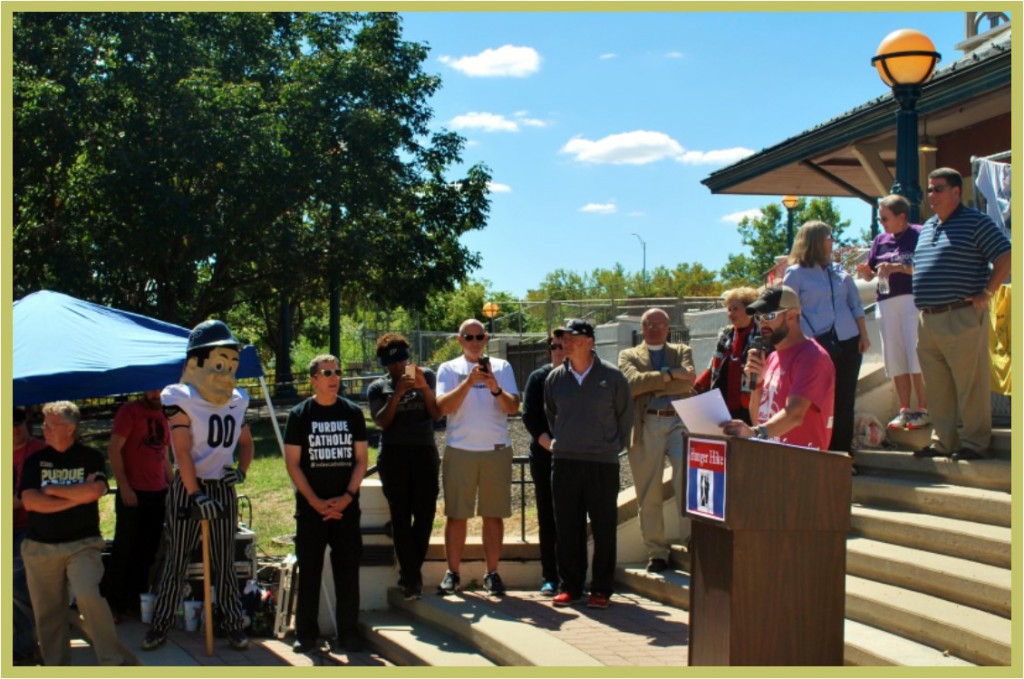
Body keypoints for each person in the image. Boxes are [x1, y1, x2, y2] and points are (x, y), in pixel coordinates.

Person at [142, 320, 254, 652]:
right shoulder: (180, 397)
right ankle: (160, 625)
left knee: (225, 560)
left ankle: (233, 624)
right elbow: (181, 452)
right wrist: (194, 493)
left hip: (221, 484)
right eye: (220, 362)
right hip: (189, 486)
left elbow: (245, 442)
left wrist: (242, 471)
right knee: (176, 558)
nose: (228, 371)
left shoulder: (238, 399)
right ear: (196, 363)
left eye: (232, 363)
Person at [18, 401, 132, 666]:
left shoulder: (90, 457)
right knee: (49, 612)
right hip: (40, 548)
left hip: (82, 544)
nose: (44, 429)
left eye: (51, 424)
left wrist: (53, 490)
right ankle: (56, 666)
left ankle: (112, 661)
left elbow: (95, 491)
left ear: (69, 428)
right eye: (44, 424)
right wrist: (75, 497)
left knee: (87, 594)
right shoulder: (35, 461)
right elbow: (32, 502)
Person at [912, 167, 1012, 461]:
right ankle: (943, 442)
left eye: (938, 189)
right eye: (929, 189)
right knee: (937, 386)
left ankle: (975, 444)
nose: (931, 195)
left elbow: (1006, 255)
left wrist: (989, 292)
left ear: (957, 191)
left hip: (961, 315)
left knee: (971, 385)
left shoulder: (976, 222)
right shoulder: (928, 226)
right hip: (926, 319)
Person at [544, 319, 633, 609]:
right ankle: (570, 586)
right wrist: (564, 442)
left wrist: (609, 446)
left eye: (575, 337)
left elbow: (625, 417)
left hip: (602, 463)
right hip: (566, 462)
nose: (568, 342)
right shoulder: (555, 378)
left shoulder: (613, 376)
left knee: (604, 527)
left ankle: (602, 589)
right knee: (568, 527)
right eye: (565, 338)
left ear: (590, 341)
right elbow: (552, 414)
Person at [284, 354, 369, 654]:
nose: (334, 378)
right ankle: (306, 633)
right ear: (314, 380)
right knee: (309, 570)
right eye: (327, 372)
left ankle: (348, 632)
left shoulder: (353, 413)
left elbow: (361, 459)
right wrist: (315, 502)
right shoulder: (299, 415)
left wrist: (347, 497)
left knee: (348, 571)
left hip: (346, 508)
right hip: (311, 510)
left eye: (337, 372)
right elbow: (293, 464)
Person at [435, 319, 520, 596]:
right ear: (459, 340)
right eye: (468, 337)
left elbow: (512, 407)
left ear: (486, 339)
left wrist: (494, 386)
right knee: (456, 515)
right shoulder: (449, 369)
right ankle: (453, 573)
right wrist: (469, 382)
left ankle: (492, 573)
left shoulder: (503, 367)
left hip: (496, 449)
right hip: (460, 449)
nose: (474, 342)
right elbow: (442, 407)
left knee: (493, 515)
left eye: (479, 336)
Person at [618, 308, 695, 573]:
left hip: (679, 422)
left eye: (661, 323)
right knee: (648, 491)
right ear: (642, 327)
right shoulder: (628, 355)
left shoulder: (681, 350)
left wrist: (655, 381)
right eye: (650, 323)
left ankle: (691, 539)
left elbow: (688, 383)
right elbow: (631, 385)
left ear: (668, 327)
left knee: (685, 481)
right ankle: (657, 551)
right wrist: (672, 375)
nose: (655, 328)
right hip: (645, 424)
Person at [783, 221, 869, 452]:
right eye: (829, 237)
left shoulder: (838, 270)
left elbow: (855, 303)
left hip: (848, 339)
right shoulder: (796, 273)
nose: (832, 241)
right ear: (815, 240)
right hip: (816, 344)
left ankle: (843, 453)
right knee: (820, 400)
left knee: (845, 398)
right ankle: (821, 450)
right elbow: (788, 309)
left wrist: (864, 334)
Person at [367, 334, 440, 601]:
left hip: (423, 450)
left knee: (425, 513)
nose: (400, 367)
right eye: (394, 363)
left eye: (403, 361)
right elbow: (381, 422)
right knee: (400, 515)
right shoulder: (378, 387)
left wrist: (423, 387)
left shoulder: (426, 376)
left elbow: (436, 413)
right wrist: (397, 393)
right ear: (385, 364)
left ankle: (410, 572)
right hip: (394, 453)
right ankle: (412, 578)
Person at [722, 286, 836, 451]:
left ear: (791, 315)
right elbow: (758, 420)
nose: (763, 323)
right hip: (774, 460)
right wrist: (758, 384)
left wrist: (754, 433)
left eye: (769, 316)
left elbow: (795, 414)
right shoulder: (772, 358)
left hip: (803, 465)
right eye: (759, 317)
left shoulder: (812, 356)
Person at [855, 194, 929, 431]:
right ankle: (904, 409)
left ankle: (923, 409)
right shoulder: (880, 240)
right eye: (880, 218)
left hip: (912, 300)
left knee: (915, 354)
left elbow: (927, 266)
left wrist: (898, 267)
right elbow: (871, 274)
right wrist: (866, 272)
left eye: (885, 218)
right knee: (895, 357)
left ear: (902, 216)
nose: (881, 223)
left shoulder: (920, 234)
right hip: (886, 302)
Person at [100, 389, 174, 620]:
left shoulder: (167, 414)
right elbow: (114, 449)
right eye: (152, 389)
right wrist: (124, 486)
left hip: (158, 492)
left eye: (160, 390)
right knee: (125, 549)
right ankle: (110, 604)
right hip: (133, 493)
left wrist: (174, 486)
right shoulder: (129, 411)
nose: (156, 394)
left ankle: (134, 602)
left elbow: (165, 454)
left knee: (148, 551)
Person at [520, 330, 568, 595]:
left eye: (563, 345)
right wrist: (549, 444)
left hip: (574, 457)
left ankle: (572, 576)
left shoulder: (578, 377)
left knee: (571, 518)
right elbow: (529, 417)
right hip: (544, 456)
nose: (559, 350)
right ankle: (550, 576)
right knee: (548, 517)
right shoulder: (538, 378)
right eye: (554, 345)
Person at [693, 287, 765, 425]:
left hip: (751, 406)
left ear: (750, 309)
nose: (730, 313)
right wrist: (694, 389)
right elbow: (713, 366)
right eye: (729, 309)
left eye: (735, 308)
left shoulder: (761, 336)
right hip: (722, 405)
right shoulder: (725, 334)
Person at [12, 407, 46, 664]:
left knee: (18, 587)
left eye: (18, 423)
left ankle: (24, 650)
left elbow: (42, 494)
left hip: (29, 528)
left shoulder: (40, 452)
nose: (15, 430)